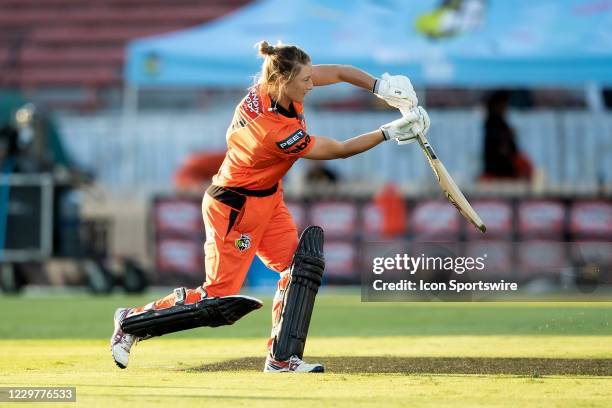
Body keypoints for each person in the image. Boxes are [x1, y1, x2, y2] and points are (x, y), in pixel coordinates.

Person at [110, 41, 430, 373]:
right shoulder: (275, 131)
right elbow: (339, 150)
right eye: (305, 80)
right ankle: (131, 322)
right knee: (217, 297)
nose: (311, 84)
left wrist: (381, 87)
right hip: (234, 208)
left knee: (298, 270)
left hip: (268, 199)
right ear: (282, 81)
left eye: (309, 77)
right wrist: (387, 132)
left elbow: (339, 71)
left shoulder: (276, 84)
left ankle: (281, 358)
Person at [482, 90, 533, 180]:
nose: (504, 108)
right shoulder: (491, 124)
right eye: (502, 105)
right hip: (497, 170)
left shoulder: (502, 123)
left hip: (507, 168)